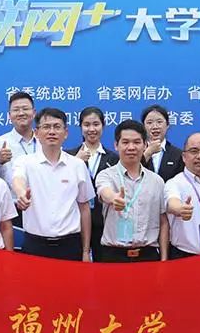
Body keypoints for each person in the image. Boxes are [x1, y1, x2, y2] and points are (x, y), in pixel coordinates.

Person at [12, 108, 94, 261]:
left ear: (66, 133)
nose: (51, 132)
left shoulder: (77, 165)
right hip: (35, 245)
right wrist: (21, 193)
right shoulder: (25, 162)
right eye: (46, 127)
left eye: (57, 127)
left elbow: (84, 208)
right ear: (37, 133)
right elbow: (18, 179)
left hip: (70, 245)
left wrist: (85, 251)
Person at [95, 119, 169, 262]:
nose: (131, 147)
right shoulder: (106, 175)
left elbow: (163, 221)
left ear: (145, 145)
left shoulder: (157, 181)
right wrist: (114, 198)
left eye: (136, 142)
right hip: (113, 256)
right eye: (125, 142)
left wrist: (164, 258)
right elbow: (105, 191)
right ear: (116, 145)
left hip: (148, 256)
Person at [66, 106, 119, 261]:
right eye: (87, 125)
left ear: (103, 126)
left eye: (96, 124)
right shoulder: (69, 156)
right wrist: (76, 162)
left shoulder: (114, 158)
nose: (91, 129)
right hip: (76, 221)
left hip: (105, 223)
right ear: (80, 127)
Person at [0, 91, 38, 203]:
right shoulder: (0, 143)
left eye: (25, 109)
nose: (21, 113)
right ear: (9, 115)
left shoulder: (43, 141)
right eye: (16, 110)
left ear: (34, 113)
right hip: (12, 206)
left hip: (42, 204)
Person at [141, 104, 184, 181]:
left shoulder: (178, 154)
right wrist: (147, 154)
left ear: (167, 125)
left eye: (159, 122)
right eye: (149, 123)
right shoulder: (137, 152)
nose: (155, 126)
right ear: (143, 126)